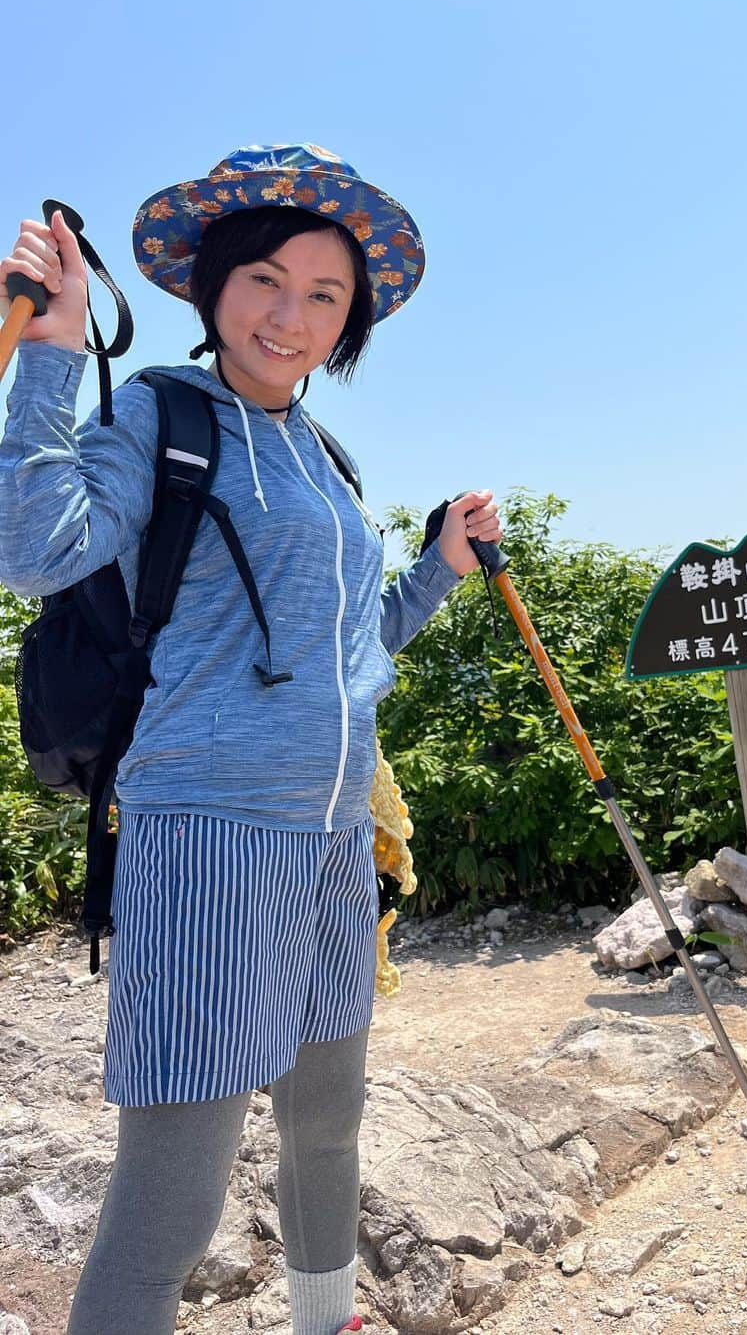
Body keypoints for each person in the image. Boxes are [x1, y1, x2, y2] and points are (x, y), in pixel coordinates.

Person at [0, 144, 502, 1335]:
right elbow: (33, 548)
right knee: (172, 1196)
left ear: (351, 323)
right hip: (206, 835)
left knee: (328, 1121)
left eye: (325, 295)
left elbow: (352, 644)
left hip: (335, 838)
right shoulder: (163, 417)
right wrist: (53, 352)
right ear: (214, 286)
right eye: (266, 281)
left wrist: (436, 566)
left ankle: (327, 1320)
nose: (291, 316)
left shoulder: (330, 462)